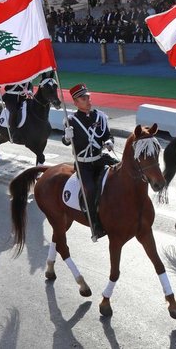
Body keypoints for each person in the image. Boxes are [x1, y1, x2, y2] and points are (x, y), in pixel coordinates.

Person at [62, 83, 115, 240]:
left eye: (88, 97)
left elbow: (107, 135)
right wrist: (66, 137)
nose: (87, 100)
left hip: (99, 159)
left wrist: (110, 142)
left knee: (121, 174)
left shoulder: (100, 117)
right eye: (83, 98)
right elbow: (65, 142)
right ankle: (95, 225)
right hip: (83, 164)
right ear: (76, 102)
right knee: (90, 190)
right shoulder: (71, 120)